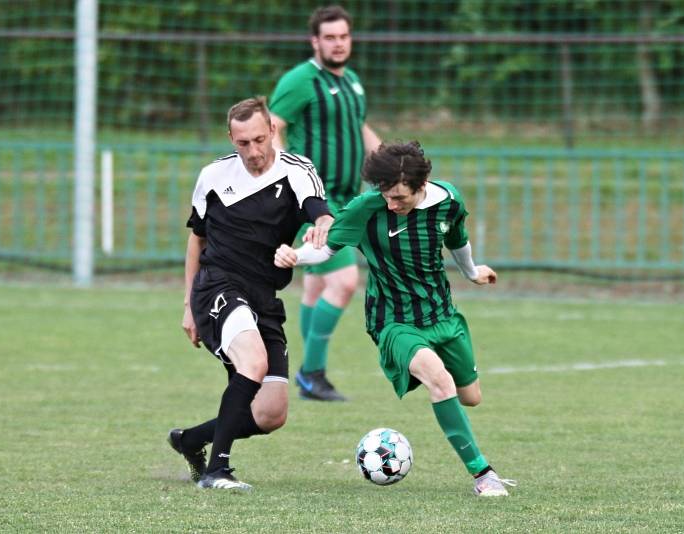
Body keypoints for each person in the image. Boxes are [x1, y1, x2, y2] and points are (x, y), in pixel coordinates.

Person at [274, 141, 516, 497]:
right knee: (440, 380)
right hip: (393, 320)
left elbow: (457, 237)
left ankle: (469, 439)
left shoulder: (448, 200)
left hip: (442, 315)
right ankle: (484, 475)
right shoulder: (367, 208)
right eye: (386, 195)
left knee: (471, 397)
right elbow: (326, 247)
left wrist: (471, 272)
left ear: (422, 185)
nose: (392, 204)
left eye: (400, 198)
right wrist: (296, 256)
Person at [168, 97, 332, 491]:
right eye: (243, 143)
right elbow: (198, 242)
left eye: (260, 140)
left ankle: (190, 440)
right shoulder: (212, 176)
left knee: (271, 413)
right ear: (231, 138)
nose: (254, 152)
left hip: (264, 298)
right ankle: (216, 471)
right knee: (253, 362)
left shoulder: (298, 171)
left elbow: (322, 214)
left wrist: (319, 229)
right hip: (217, 287)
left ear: (272, 130)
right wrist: (188, 305)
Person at [269, 4, 382, 401]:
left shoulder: (351, 81)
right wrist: (288, 173)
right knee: (345, 280)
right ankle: (311, 372)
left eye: (344, 36)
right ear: (315, 41)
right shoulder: (300, 80)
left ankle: (306, 375)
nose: (338, 43)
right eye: (330, 37)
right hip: (315, 200)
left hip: (348, 197)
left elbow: (360, 126)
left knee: (316, 288)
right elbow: (272, 126)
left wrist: (391, 160)